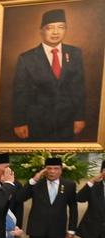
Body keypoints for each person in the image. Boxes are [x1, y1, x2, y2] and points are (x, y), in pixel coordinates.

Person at [11, 9, 86, 142]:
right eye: (50, 28)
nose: (56, 32)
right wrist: (19, 122)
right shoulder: (26, 58)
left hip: (67, 121)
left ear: (66, 29)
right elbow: (20, 92)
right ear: (41, 31)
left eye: (61, 27)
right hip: (37, 122)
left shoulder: (75, 53)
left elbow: (79, 88)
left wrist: (79, 117)